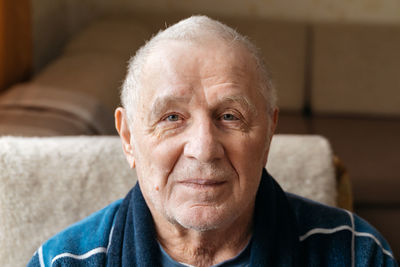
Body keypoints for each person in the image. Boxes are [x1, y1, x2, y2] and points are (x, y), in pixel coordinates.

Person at [28, 16, 397, 267]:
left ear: (269, 133)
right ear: (127, 138)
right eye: (172, 118)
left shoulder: (356, 252)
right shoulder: (62, 261)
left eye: (230, 116)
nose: (204, 148)